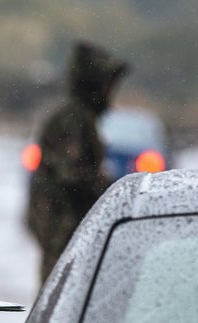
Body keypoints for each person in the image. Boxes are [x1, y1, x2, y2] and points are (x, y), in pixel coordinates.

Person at [26, 41, 128, 283]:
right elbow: (72, 176)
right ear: (95, 84)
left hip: (68, 232)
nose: (112, 91)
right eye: (109, 84)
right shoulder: (72, 120)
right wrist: (115, 191)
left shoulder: (80, 117)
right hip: (62, 232)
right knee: (58, 304)